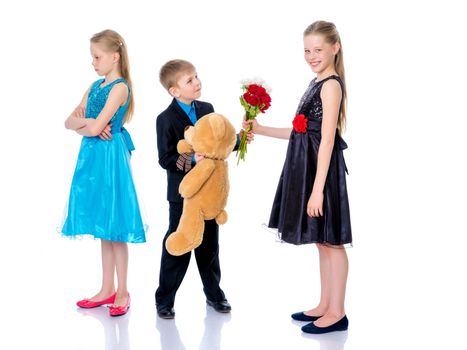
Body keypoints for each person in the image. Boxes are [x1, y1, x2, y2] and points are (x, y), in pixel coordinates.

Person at [244, 21, 351, 334]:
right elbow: (302, 132)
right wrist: (260, 129)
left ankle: (338, 312)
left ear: (335, 47)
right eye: (307, 50)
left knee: (332, 241)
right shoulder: (315, 82)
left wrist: (317, 191)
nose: (311, 55)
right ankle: (325, 304)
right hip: (309, 166)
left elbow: (328, 139)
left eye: (318, 49)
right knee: (322, 241)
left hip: (322, 171)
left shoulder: (331, 84)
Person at [155, 59, 250, 319]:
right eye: (189, 80)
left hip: (209, 193)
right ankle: (164, 299)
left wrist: (240, 140)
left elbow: (218, 144)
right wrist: (193, 159)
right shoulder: (165, 119)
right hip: (182, 197)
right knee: (178, 246)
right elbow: (165, 159)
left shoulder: (208, 108)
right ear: (174, 91)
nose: (197, 82)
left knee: (209, 248)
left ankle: (214, 294)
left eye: (196, 77)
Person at [60, 29, 146, 317]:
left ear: (114, 56)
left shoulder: (120, 88)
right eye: (92, 57)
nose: (93, 63)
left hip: (110, 159)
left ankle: (123, 291)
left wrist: (86, 123)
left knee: (115, 225)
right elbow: (67, 122)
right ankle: (106, 287)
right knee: (102, 226)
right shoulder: (95, 86)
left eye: (97, 57)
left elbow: (95, 128)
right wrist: (85, 122)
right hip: (92, 158)